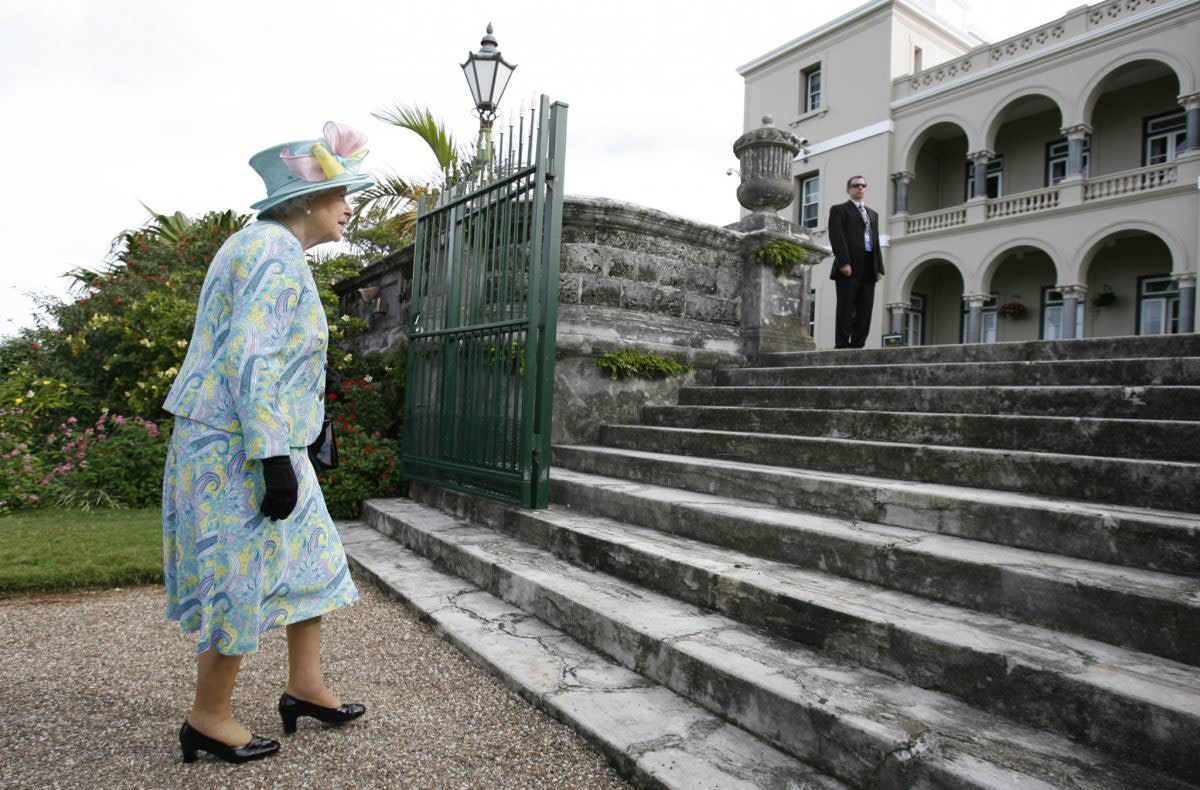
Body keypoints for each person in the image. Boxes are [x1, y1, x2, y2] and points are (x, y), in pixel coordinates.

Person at [161, 121, 373, 764]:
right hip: (236, 446)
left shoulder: (267, 249)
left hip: (262, 437)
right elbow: (251, 359)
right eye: (342, 195)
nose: (349, 207)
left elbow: (277, 357)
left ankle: (305, 685)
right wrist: (275, 457)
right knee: (238, 573)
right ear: (306, 200)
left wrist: (303, 430)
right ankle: (208, 716)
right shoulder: (270, 251)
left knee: (314, 557)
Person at [827, 175, 885, 348]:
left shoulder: (873, 214)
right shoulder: (839, 210)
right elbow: (836, 236)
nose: (860, 188)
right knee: (846, 307)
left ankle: (858, 345)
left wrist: (879, 267)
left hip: (869, 265)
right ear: (848, 189)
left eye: (863, 185)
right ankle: (842, 345)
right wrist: (844, 262)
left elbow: (876, 241)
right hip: (850, 265)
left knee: (865, 308)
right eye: (856, 185)